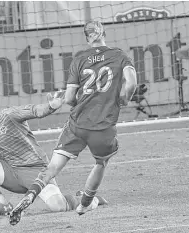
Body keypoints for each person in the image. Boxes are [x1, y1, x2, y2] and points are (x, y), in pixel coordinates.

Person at [9, 20, 138, 225]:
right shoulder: (119, 55)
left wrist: (81, 103)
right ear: (103, 32)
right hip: (103, 126)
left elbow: (69, 98)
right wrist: (124, 98)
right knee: (100, 163)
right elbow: (131, 82)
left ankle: (30, 196)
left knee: (51, 168)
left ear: (87, 37)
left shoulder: (79, 59)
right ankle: (85, 203)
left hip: (77, 123)